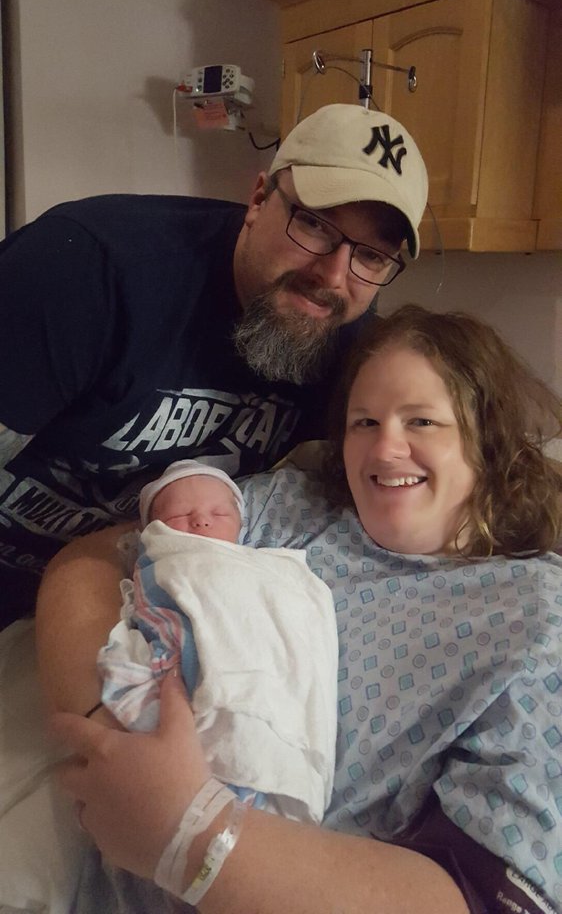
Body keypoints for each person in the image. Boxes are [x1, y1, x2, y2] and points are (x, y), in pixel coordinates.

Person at [49, 304, 562, 914]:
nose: (385, 447)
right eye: (364, 421)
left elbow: (494, 897)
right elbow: (89, 563)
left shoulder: (534, 618)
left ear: (489, 440)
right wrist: (111, 739)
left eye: (422, 421)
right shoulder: (289, 509)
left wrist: (188, 834)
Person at [0, 102, 428, 630]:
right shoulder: (83, 269)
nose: (335, 277)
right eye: (316, 225)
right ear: (259, 199)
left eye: (372, 257)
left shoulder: (347, 342)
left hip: (139, 596)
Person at [98, 458, 338, 824]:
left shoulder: (265, 567)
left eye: (219, 513)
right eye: (180, 515)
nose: (201, 521)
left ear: (241, 524)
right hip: (183, 706)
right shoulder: (162, 561)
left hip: (262, 691)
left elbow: (294, 617)